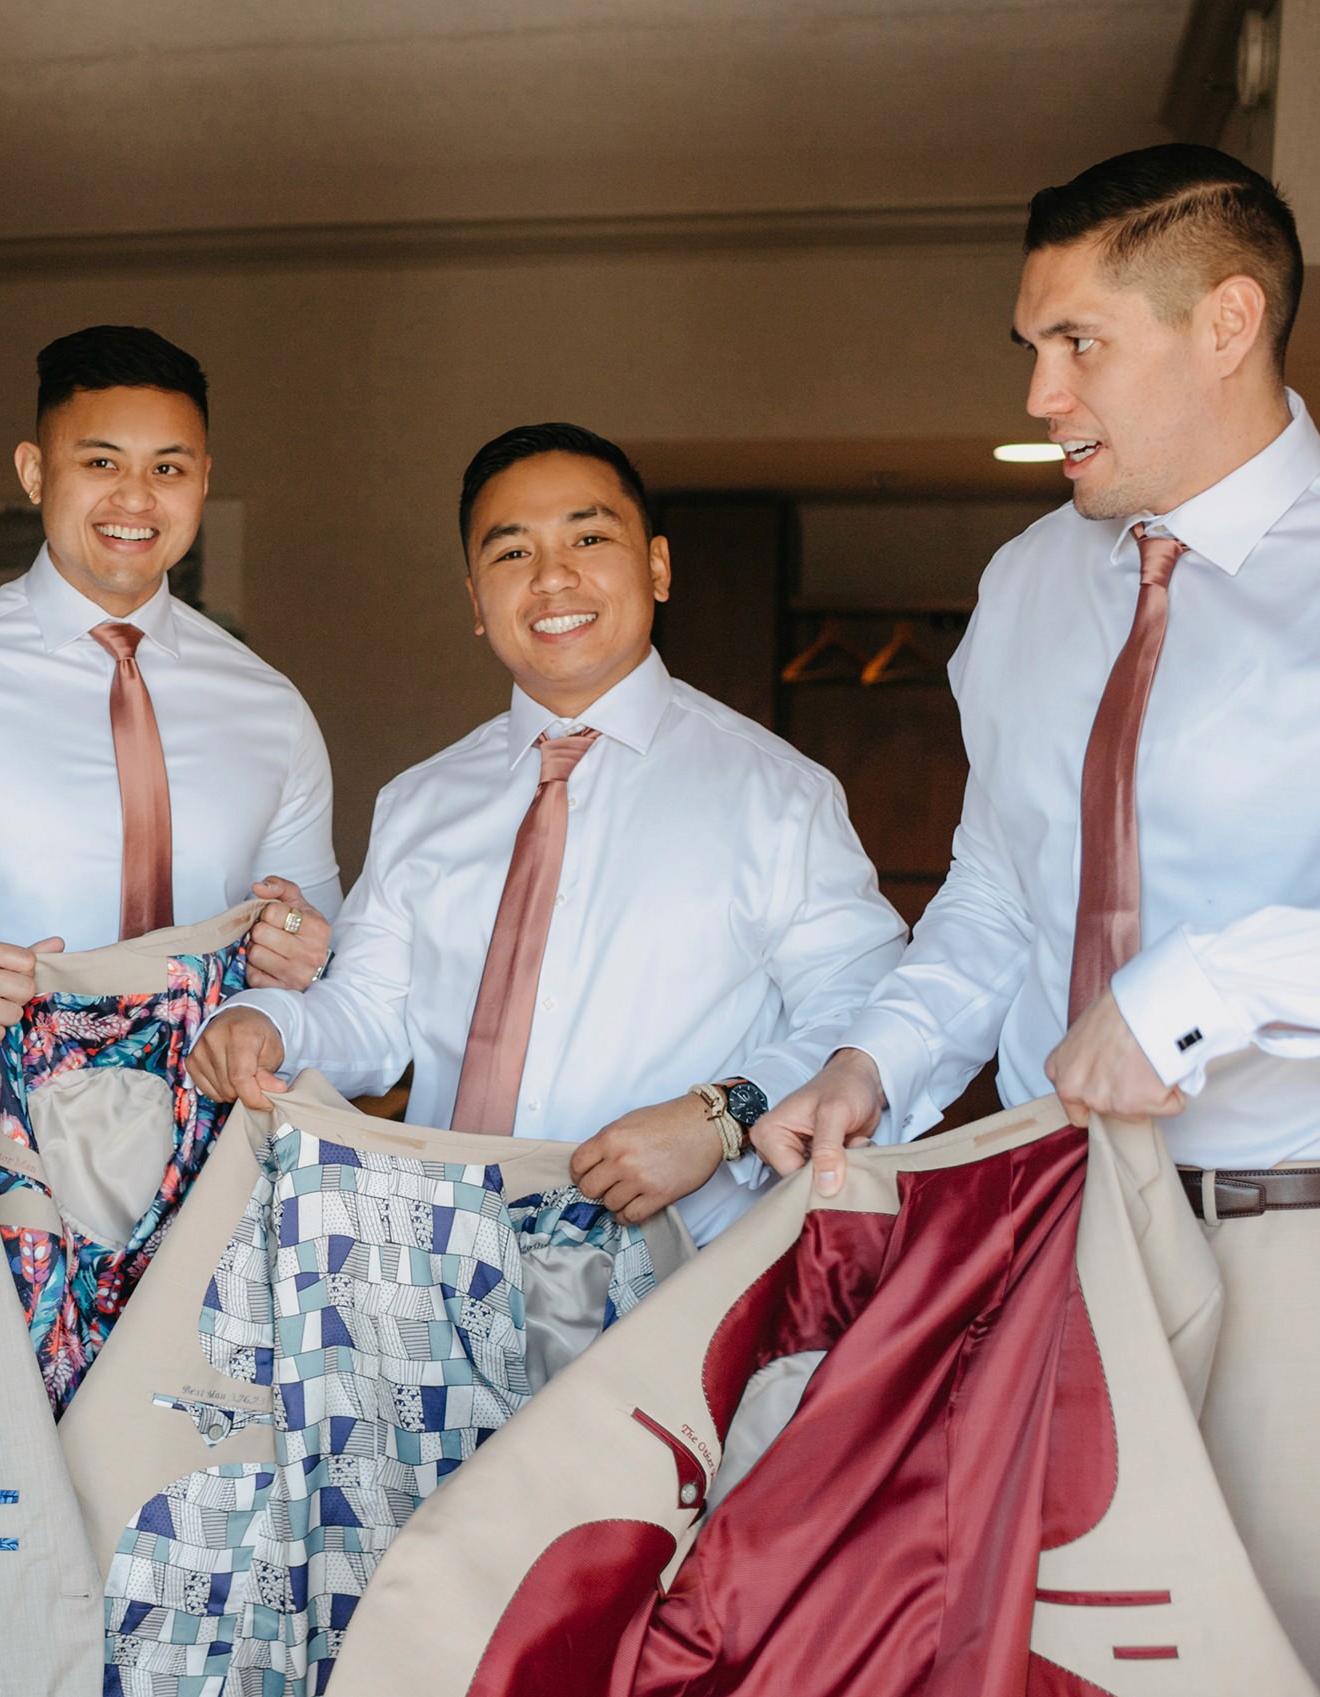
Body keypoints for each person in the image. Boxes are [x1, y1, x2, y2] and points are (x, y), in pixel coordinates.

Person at [754, 146, 1320, 1697]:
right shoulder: (1025, 583)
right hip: (1051, 1221)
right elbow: (1002, 889)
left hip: (1310, 1236)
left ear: (1224, 321)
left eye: (1075, 341)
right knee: (1023, 1682)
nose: (1037, 387)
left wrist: (1200, 989)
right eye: (1029, 343)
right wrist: (873, 1061)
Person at [189, 423, 905, 1248]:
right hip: (428, 1266)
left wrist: (720, 1118)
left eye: (589, 537)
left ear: (658, 568)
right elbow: (372, 1015)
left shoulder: (779, 794)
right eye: (511, 554)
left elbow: (865, 1011)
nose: (553, 578)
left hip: (673, 1276)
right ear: (475, 601)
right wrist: (269, 1021)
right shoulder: (420, 799)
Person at [0, 325, 342, 1048]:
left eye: (168, 470)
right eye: (100, 461)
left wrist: (307, 956)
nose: (135, 499)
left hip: (217, 1143)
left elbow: (331, 969)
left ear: (203, 479)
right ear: (34, 472)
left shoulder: (272, 709)